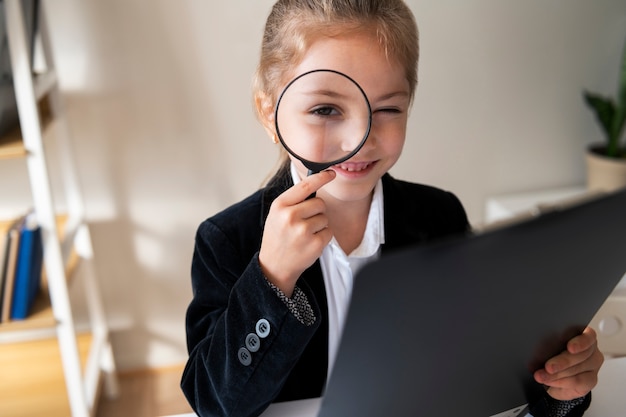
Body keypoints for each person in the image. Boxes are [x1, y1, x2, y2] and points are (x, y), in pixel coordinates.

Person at [181, 1, 604, 416]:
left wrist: (560, 388)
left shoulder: (440, 219)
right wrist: (271, 278)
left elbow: (481, 372)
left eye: (386, 109)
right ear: (269, 112)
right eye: (326, 109)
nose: (357, 141)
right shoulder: (227, 242)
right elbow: (215, 404)